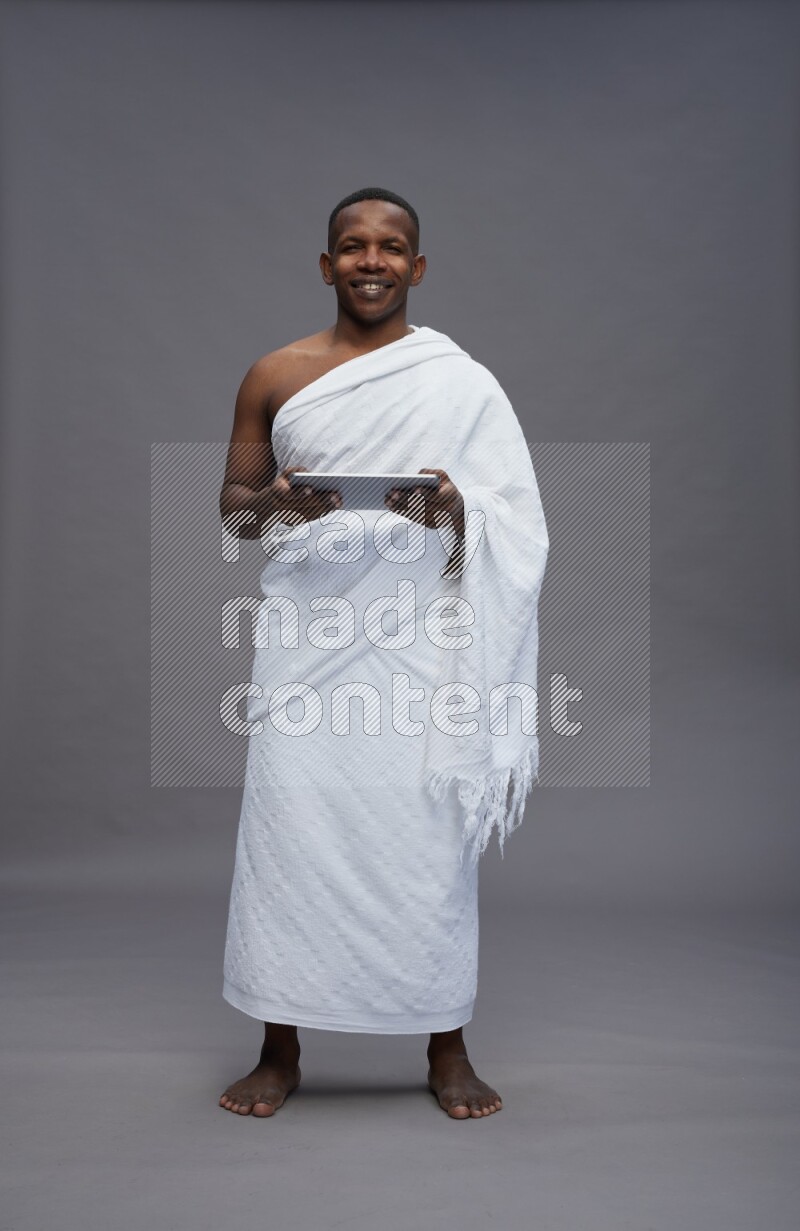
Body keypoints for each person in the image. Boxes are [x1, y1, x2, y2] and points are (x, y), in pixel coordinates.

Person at [217, 187, 548, 1120]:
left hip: (422, 644)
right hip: (306, 645)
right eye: (352, 247)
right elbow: (234, 510)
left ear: (418, 266)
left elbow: (515, 514)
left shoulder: (463, 381)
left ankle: (445, 1041)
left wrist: (454, 508)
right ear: (326, 265)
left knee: (427, 837)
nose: (372, 261)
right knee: (290, 832)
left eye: (391, 247)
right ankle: (279, 1047)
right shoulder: (273, 374)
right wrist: (283, 499)